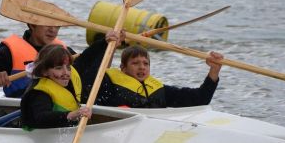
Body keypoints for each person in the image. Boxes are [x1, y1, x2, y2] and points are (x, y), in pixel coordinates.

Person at [20, 31, 124, 129]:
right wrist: (71, 115)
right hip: (38, 138)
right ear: (44, 72)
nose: (66, 73)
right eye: (58, 68)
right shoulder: (39, 93)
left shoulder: (69, 75)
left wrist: (105, 41)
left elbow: (87, 58)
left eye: (68, 67)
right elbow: (41, 117)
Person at [95, 45, 224, 108]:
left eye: (146, 63)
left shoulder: (160, 90)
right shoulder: (108, 86)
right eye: (135, 63)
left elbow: (200, 99)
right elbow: (94, 73)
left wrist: (214, 70)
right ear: (123, 68)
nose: (142, 67)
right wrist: (109, 45)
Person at [0, 24, 76, 98]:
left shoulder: (66, 52)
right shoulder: (8, 52)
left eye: (57, 26)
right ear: (32, 25)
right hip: (19, 105)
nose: (53, 30)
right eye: (47, 24)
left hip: (58, 105)